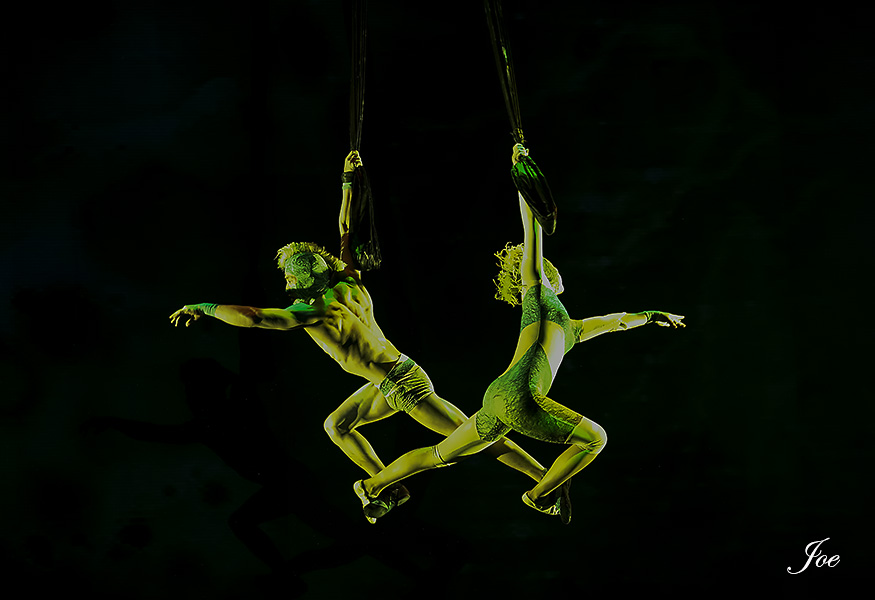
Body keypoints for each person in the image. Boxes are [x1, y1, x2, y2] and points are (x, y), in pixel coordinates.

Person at [169, 151, 550, 522]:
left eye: (288, 276)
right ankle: (390, 489)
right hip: (388, 379)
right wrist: (348, 183)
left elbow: (253, 318)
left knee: (477, 437)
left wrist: (204, 307)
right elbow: (345, 231)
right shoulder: (349, 281)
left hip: (402, 384)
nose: (285, 282)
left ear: (302, 279)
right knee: (336, 426)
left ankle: (545, 479)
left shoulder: (312, 313)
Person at [354, 144, 685, 525]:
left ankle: (372, 486)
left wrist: (652, 315)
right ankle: (538, 496)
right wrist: (522, 176)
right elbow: (532, 235)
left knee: (438, 455)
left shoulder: (571, 328)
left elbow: (616, 321)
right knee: (595, 439)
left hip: (498, 398)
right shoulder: (538, 291)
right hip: (521, 398)